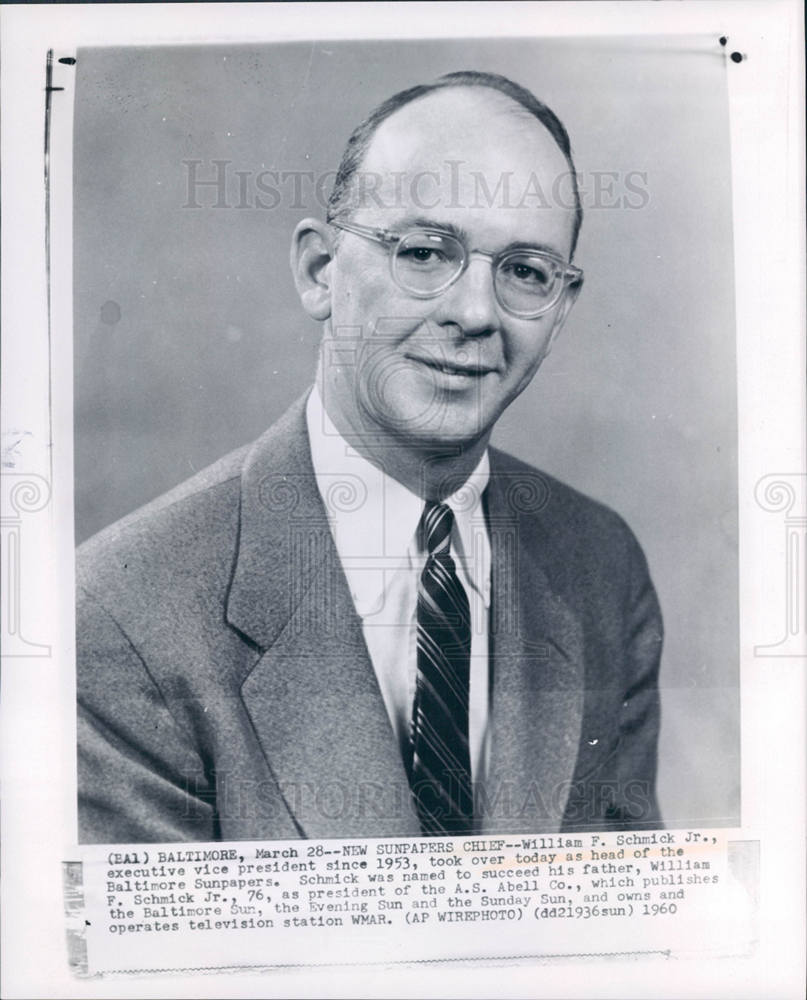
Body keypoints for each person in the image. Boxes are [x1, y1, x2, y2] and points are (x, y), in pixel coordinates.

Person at [77, 70, 663, 844]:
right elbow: (163, 965)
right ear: (320, 271)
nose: (474, 313)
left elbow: (630, 927)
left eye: (524, 272)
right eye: (423, 253)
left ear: (558, 310)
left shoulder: (600, 568)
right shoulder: (121, 611)